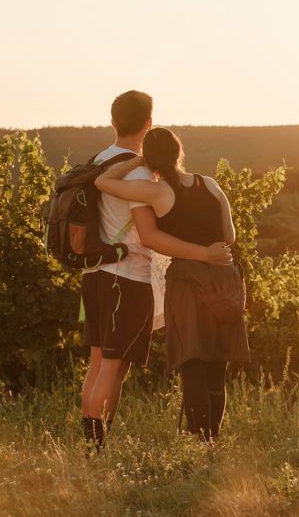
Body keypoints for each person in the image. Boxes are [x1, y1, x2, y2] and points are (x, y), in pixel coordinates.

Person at [79, 91, 229, 448]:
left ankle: (87, 444)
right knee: (115, 367)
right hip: (126, 275)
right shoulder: (144, 173)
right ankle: (94, 448)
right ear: (148, 123)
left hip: (92, 274)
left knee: (97, 363)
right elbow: (148, 236)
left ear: (113, 121)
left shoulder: (98, 160)